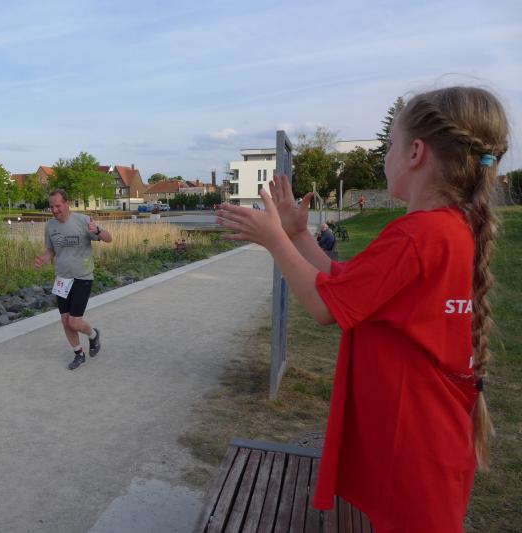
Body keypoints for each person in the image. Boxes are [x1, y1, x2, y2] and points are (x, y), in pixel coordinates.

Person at [216, 86, 507, 532]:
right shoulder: (447, 230)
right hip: (431, 438)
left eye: (390, 144)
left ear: (415, 152)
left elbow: (323, 306)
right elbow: (344, 287)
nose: (385, 156)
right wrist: (297, 235)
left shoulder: (418, 235)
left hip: (414, 448)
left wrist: (273, 238)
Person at [34, 189, 112, 370]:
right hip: (62, 278)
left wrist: (98, 230)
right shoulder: (50, 226)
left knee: (74, 322)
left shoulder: (83, 221)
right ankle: (79, 354)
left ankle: (93, 336)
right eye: (51, 207)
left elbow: (109, 238)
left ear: (66, 204)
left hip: (83, 276)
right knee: (65, 320)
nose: (54, 210)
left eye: (57, 206)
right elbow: (51, 250)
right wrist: (43, 259)